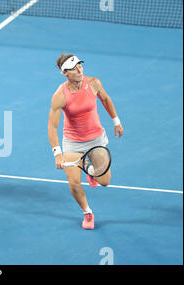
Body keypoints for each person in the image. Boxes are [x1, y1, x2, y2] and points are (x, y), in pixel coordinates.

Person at [47, 54, 123, 230]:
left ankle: (89, 168)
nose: (80, 70)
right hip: (73, 142)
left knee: (105, 181)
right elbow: (52, 126)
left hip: (95, 138)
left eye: (80, 66)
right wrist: (57, 153)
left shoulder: (94, 83)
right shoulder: (60, 95)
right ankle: (87, 212)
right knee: (73, 182)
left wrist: (116, 121)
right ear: (65, 73)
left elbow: (105, 99)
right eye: (74, 68)